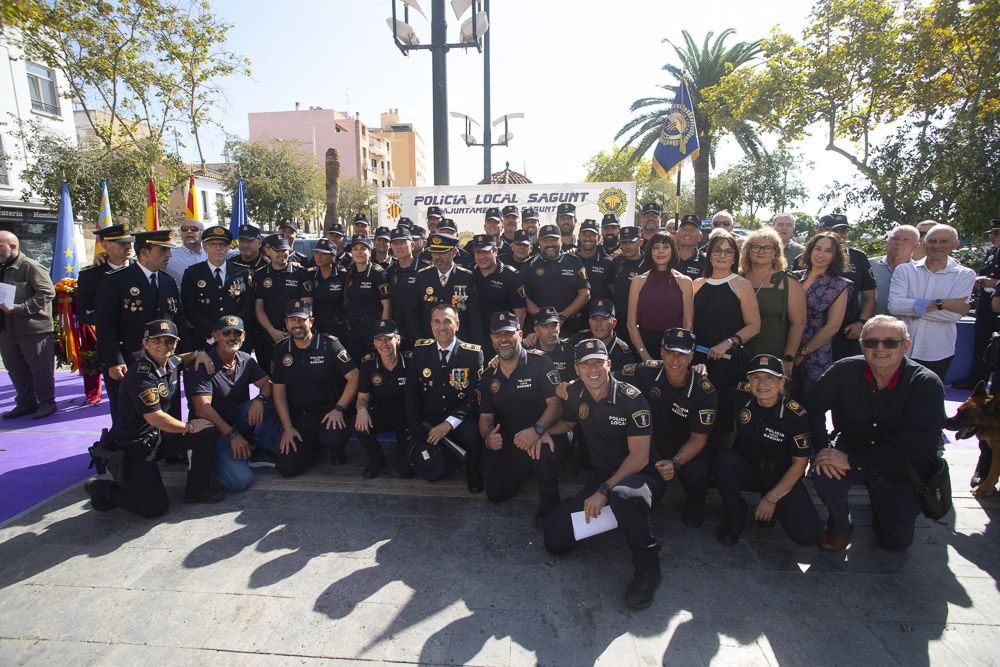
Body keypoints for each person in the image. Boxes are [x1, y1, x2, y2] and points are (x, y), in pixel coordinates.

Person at [541, 338, 666, 610]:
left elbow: (640, 457)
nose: (593, 369)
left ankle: (648, 570)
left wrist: (604, 491)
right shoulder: (576, 393)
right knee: (555, 538)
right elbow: (568, 422)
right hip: (602, 479)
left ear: (609, 364)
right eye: (586, 364)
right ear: (577, 368)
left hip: (641, 478)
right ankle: (616, 518)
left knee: (625, 497)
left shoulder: (632, 400)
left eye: (599, 362)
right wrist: (540, 432)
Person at [805, 315, 944, 551]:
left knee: (895, 542)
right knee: (825, 471)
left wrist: (853, 461)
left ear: (906, 346)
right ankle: (840, 525)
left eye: (890, 342)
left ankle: (887, 509)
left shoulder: (925, 384)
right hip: (853, 446)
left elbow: (913, 447)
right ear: (862, 345)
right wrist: (822, 449)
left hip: (899, 466)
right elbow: (812, 406)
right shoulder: (845, 370)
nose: (880, 348)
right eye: (871, 342)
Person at [83, 319, 220, 517]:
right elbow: (155, 418)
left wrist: (199, 353)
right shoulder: (142, 376)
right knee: (153, 509)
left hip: (158, 438)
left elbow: (183, 358)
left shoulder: (170, 362)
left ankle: (197, 491)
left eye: (169, 341)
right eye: (156, 341)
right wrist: (189, 427)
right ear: (145, 343)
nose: (163, 346)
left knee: (207, 430)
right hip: (134, 447)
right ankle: (101, 489)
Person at [714, 354, 821, 546]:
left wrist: (772, 499)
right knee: (723, 461)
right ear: (749, 380)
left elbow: (800, 464)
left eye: (769, 378)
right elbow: (709, 396)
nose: (762, 384)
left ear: (782, 382)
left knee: (808, 536)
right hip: (748, 468)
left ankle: (772, 507)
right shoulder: (741, 394)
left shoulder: (796, 415)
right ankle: (735, 516)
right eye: (756, 377)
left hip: (781, 476)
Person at [618, 328, 716, 528]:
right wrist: (572, 384)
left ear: (691, 357)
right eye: (670, 352)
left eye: (682, 354)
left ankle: (695, 501)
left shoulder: (705, 391)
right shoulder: (647, 370)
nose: (675, 360)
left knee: (695, 474)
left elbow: (698, 439)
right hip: (654, 442)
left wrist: (675, 462)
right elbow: (608, 379)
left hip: (686, 446)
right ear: (662, 352)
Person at [96, 229, 191, 419]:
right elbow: (106, 325)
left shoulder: (167, 281)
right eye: (163, 250)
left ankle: (171, 446)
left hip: (165, 360)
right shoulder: (116, 280)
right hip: (131, 359)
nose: (169, 255)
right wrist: (115, 360)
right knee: (132, 412)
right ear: (145, 252)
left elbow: (177, 319)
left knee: (168, 406)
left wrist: (185, 355)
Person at [479, 312, 562, 524]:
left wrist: (537, 430)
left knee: (544, 451)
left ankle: (550, 503)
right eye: (498, 334)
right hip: (515, 442)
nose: (503, 339)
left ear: (520, 334)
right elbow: (485, 417)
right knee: (495, 493)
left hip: (546, 434)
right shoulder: (489, 376)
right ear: (492, 338)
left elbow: (556, 405)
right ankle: (527, 469)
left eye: (509, 333)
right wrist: (488, 437)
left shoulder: (540, 362)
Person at [187, 315, 281, 491]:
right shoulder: (203, 364)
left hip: (235, 420)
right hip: (214, 431)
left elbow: (267, 384)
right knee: (240, 481)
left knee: (276, 397)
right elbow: (202, 409)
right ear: (216, 335)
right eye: (226, 333)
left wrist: (259, 400)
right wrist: (232, 435)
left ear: (244, 336)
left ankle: (261, 451)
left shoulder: (245, 359)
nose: (232, 337)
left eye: (237, 333)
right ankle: (210, 461)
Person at [270, 300, 358, 477]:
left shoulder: (329, 344)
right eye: (292, 320)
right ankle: (312, 447)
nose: (297, 325)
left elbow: (354, 376)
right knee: (286, 468)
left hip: (329, 413)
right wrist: (287, 428)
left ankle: (333, 449)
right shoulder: (281, 351)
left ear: (311, 321)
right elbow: (278, 392)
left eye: (301, 320)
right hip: (301, 418)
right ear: (286, 324)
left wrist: (339, 408)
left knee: (332, 439)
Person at [405, 303, 485, 492]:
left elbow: (475, 396)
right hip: (429, 420)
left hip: (459, 419)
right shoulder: (420, 352)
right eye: (437, 322)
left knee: (473, 434)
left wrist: (449, 424)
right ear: (431, 325)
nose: (441, 327)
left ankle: (473, 470)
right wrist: (417, 427)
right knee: (408, 468)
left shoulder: (472, 354)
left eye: (447, 321)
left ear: (457, 324)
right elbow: (411, 393)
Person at [693, 232, 761, 434]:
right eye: (717, 250)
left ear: (734, 256)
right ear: (709, 254)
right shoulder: (696, 284)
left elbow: (754, 325)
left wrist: (728, 343)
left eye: (728, 251)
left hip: (728, 362)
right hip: (698, 360)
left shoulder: (742, 285)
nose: (722, 255)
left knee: (724, 418)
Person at [888, 223, 974, 382]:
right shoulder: (905, 270)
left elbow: (952, 317)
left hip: (937, 352)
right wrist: (943, 303)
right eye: (932, 241)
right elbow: (895, 306)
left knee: (927, 402)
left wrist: (911, 311)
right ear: (923, 243)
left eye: (944, 241)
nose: (937, 245)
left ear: (955, 244)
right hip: (899, 350)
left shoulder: (965, 275)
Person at [0, 230, 56, 419]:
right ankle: (25, 402)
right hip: (6, 330)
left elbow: (47, 293)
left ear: (13, 247)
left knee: (40, 368)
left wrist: (19, 308)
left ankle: (46, 403)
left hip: (33, 329)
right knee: (15, 368)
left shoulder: (31, 266)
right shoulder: (2, 267)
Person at [76, 224, 135, 405]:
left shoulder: (141, 268)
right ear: (105, 245)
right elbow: (84, 313)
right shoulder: (91, 275)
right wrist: (113, 318)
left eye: (130, 242)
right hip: (113, 347)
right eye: (121, 243)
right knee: (121, 401)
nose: (128, 247)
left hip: (142, 346)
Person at [740, 227, 806, 376]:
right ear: (748, 250)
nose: (761, 251)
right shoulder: (738, 277)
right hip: (737, 354)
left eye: (767, 248)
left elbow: (799, 323)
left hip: (773, 356)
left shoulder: (788, 282)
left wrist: (788, 358)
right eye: (756, 247)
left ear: (776, 252)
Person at [355, 320, 415, 479]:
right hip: (385, 414)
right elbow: (362, 398)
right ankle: (376, 460)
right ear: (374, 342)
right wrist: (361, 410)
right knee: (360, 424)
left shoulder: (411, 362)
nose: (384, 343)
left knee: (405, 471)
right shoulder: (368, 364)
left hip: (409, 418)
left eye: (388, 338)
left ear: (398, 339)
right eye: (379, 339)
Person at [794, 231, 851, 393]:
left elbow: (832, 326)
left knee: (810, 404)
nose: (821, 254)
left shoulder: (839, 285)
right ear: (810, 250)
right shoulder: (793, 278)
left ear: (835, 256)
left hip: (815, 353)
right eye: (818, 248)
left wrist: (802, 352)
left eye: (828, 250)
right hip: (785, 347)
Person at [181, 226, 254, 344]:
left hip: (236, 335)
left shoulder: (242, 272)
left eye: (223, 244)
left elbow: (248, 305)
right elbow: (190, 308)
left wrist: (232, 329)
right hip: (206, 337)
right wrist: (212, 331)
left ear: (229, 248)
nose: (218, 248)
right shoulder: (192, 273)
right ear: (205, 247)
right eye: (213, 244)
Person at [628, 231, 694, 362]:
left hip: (675, 347)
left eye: (665, 247)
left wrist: (677, 353)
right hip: (645, 346)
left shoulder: (685, 282)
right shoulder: (638, 281)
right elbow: (631, 324)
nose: (660, 251)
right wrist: (645, 356)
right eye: (656, 247)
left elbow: (688, 324)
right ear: (650, 251)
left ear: (673, 250)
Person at [819, 214, 877, 361]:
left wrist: (861, 323)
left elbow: (869, 297)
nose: (839, 235)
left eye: (843, 230)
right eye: (834, 231)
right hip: (812, 330)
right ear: (820, 231)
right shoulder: (804, 259)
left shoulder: (859, 258)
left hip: (847, 331)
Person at [409, 232, 483, 345]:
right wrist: (419, 341)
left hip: (460, 343)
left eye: (442, 252)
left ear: (453, 252)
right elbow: (414, 312)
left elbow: (474, 316)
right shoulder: (422, 276)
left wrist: (475, 345)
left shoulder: (466, 277)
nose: (437, 257)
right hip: (430, 343)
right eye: (434, 252)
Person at [253, 235, 313, 372]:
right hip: (268, 336)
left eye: (284, 250)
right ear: (268, 251)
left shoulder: (301, 274)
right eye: (277, 250)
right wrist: (272, 331)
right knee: (269, 375)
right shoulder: (260, 275)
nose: (282, 254)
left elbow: (307, 306)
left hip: (296, 334)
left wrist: (293, 331)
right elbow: (258, 308)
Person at [959, 219, 1000, 390]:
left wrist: (996, 282)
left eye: (996, 233)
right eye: (992, 233)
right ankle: (977, 381)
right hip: (986, 307)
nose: (992, 236)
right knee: (981, 345)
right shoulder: (992, 252)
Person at [471, 233, 526, 353]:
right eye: (478, 252)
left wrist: (512, 343)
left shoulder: (511, 277)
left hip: (501, 340)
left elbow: (520, 314)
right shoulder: (470, 273)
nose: (481, 257)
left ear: (495, 251)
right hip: (473, 338)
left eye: (485, 252)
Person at [342, 234, 392, 361]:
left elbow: (387, 305)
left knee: (374, 362)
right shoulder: (349, 272)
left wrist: (383, 330)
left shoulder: (378, 273)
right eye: (355, 248)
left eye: (363, 248)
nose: (359, 252)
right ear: (351, 252)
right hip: (353, 328)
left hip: (372, 328)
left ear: (370, 252)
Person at [387, 227, 427, 349]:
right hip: (398, 332)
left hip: (421, 330)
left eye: (403, 242)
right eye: (395, 243)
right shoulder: (390, 272)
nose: (399, 247)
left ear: (412, 244)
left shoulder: (424, 269)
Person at [871, 225, 919, 316]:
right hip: (869, 325)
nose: (899, 243)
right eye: (895, 238)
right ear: (886, 242)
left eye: (906, 240)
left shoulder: (920, 272)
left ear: (916, 246)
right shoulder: (868, 265)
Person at [574, 299, 636, 371]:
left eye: (604, 319)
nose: (598, 324)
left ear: (614, 323)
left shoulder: (623, 354)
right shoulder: (578, 341)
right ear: (589, 321)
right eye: (594, 319)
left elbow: (625, 380)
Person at [610, 226, 646, 342]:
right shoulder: (616, 261)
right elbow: (610, 284)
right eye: (624, 242)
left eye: (631, 242)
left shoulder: (649, 264)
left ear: (640, 242)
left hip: (641, 321)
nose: (627, 246)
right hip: (619, 321)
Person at [308, 238, 347, 337]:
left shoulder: (343, 275)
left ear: (333, 256)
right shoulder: (310, 274)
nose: (319, 257)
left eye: (324, 254)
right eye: (317, 253)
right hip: (316, 326)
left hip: (338, 326)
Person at [576, 219, 613, 301]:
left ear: (599, 237)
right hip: (573, 312)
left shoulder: (608, 262)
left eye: (592, 235)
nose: (588, 238)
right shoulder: (571, 259)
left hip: (598, 311)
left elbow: (614, 291)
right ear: (579, 236)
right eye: (584, 234)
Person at [163, 217, 206, 284]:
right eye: (184, 229)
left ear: (203, 233)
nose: (188, 231)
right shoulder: (169, 255)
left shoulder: (212, 253)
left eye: (193, 229)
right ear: (180, 234)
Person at [675, 215, 705, 281]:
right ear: (677, 235)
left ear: (700, 237)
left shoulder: (705, 261)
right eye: (684, 229)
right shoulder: (668, 257)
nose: (687, 233)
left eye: (692, 230)